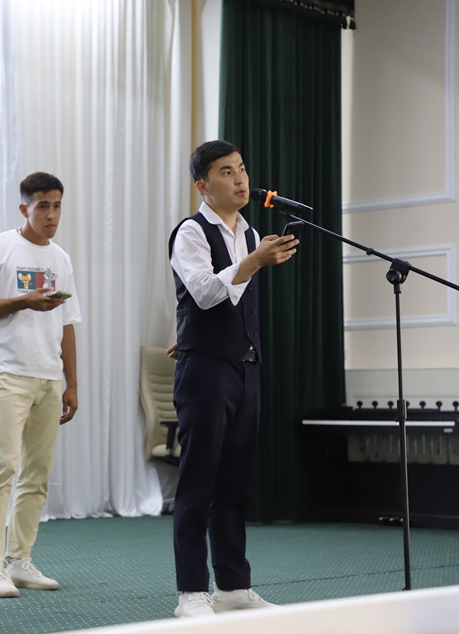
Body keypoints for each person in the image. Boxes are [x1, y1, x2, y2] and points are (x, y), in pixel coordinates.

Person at [167, 140, 297, 618]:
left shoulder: (250, 231)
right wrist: (253, 262)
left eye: (241, 168)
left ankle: (233, 587)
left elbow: (232, 303)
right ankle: (190, 592)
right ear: (203, 186)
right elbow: (203, 293)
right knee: (198, 482)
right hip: (206, 372)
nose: (240, 179)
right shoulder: (191, 231)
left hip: (245, 366)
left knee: (235, 484)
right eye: (226, 172)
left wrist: (251, 257)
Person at [0, 172, 81, 598]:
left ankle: (20, 561)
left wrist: (71, 383)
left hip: (48, 377)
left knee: (37, 474)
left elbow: (67, 323)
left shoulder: (61, 258)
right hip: (6, 372)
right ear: (24, 208)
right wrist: (23, 301)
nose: (51, 215)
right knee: (2, 468)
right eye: (42, 206)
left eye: (57, 206)